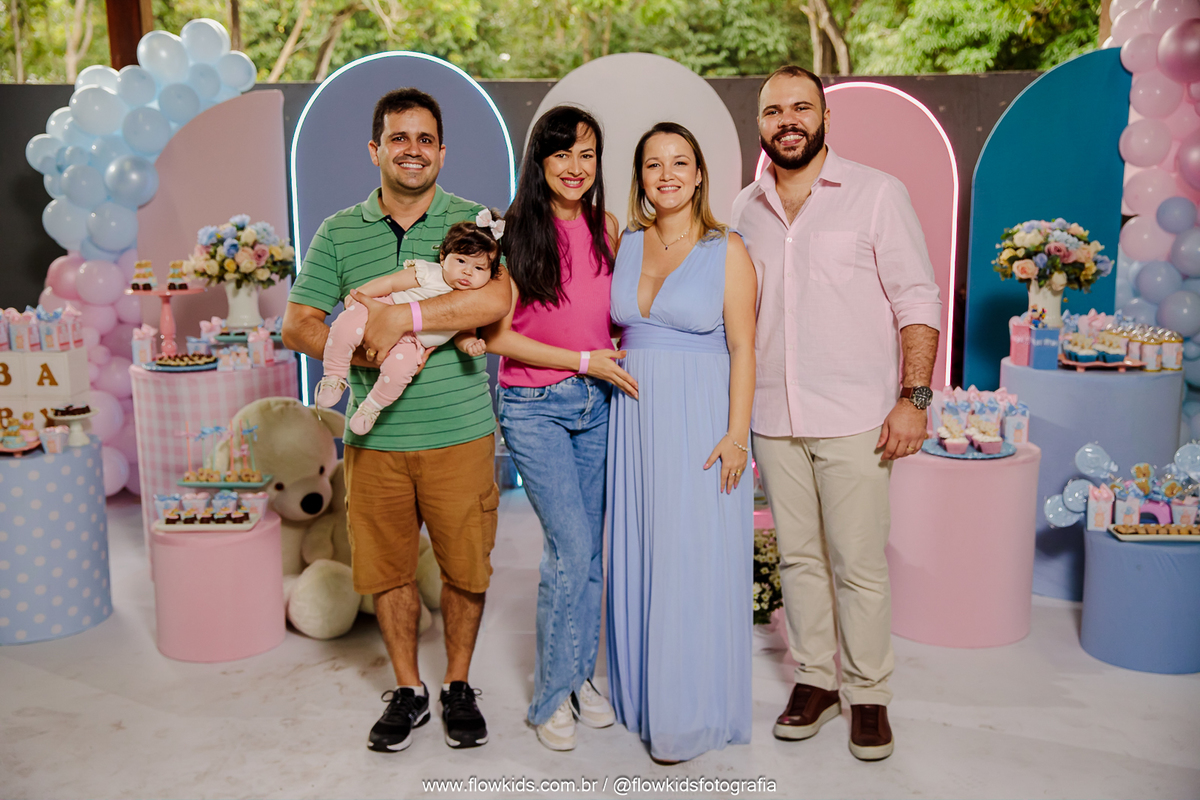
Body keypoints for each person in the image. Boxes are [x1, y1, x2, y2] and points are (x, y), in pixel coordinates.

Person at [281, 87, 511, 754]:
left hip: (460, 434)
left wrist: (403, 318)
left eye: (425, 139)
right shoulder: (338, 231)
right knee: (388, 572)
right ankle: (409, 689)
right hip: (373, 440)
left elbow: (494, 301)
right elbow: (298, 321)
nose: (413, 149)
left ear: (442, 151)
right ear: (376, 150)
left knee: (466, 568)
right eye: (399, 138)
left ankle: (458, 683)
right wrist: (365, 348)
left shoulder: (474, 221)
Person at [730, 65, 942, 762]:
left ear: (825, 117)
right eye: (773, 111)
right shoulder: (742, 210)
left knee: (858, 562)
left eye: (801, 108)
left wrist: (914, 399)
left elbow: (917, 299)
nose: (787, 121)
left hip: (857, 416)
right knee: (798, 559)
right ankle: (816, 681)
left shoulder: (877, 194)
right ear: (760, 123)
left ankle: (869, 693)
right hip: (773, 415)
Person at [605, 122, 758, 763]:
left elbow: (744, 347)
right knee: (643, 550)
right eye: (653, 164)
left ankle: (687, 715)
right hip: (632, 423)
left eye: (679, 162)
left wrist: (736, 437)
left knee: (692, 557)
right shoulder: (624, 242)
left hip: (700, 421)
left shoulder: (729, 249)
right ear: (640, 178)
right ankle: (643, 700)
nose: (666, 174)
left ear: (698, 175)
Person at [481, 105, 632, 752]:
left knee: (589, 549)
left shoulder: (608, 227)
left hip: (598, 403)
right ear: (540, 160)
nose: (575, 166)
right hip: (534, 407)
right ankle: (549, 697)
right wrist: (581, 360)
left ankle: (579, 677)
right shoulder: (513, 231)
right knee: (569, 547)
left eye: (587, 154)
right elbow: (497, 338)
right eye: (562, 153)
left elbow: (611, 317)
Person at [315, 217, 503, 435]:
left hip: (414, 343)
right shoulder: (430, 273)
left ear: (491, 274)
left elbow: (464, 331)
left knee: (400, 372)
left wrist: (469, 344)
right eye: (461, 261)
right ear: (443, 257)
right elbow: (391, 283)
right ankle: (334, 376)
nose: (468, 272)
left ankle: (371, 407)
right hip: (385, 309)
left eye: (479, 267)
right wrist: (361, 294)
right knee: (346, 325)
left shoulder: (474, 301)